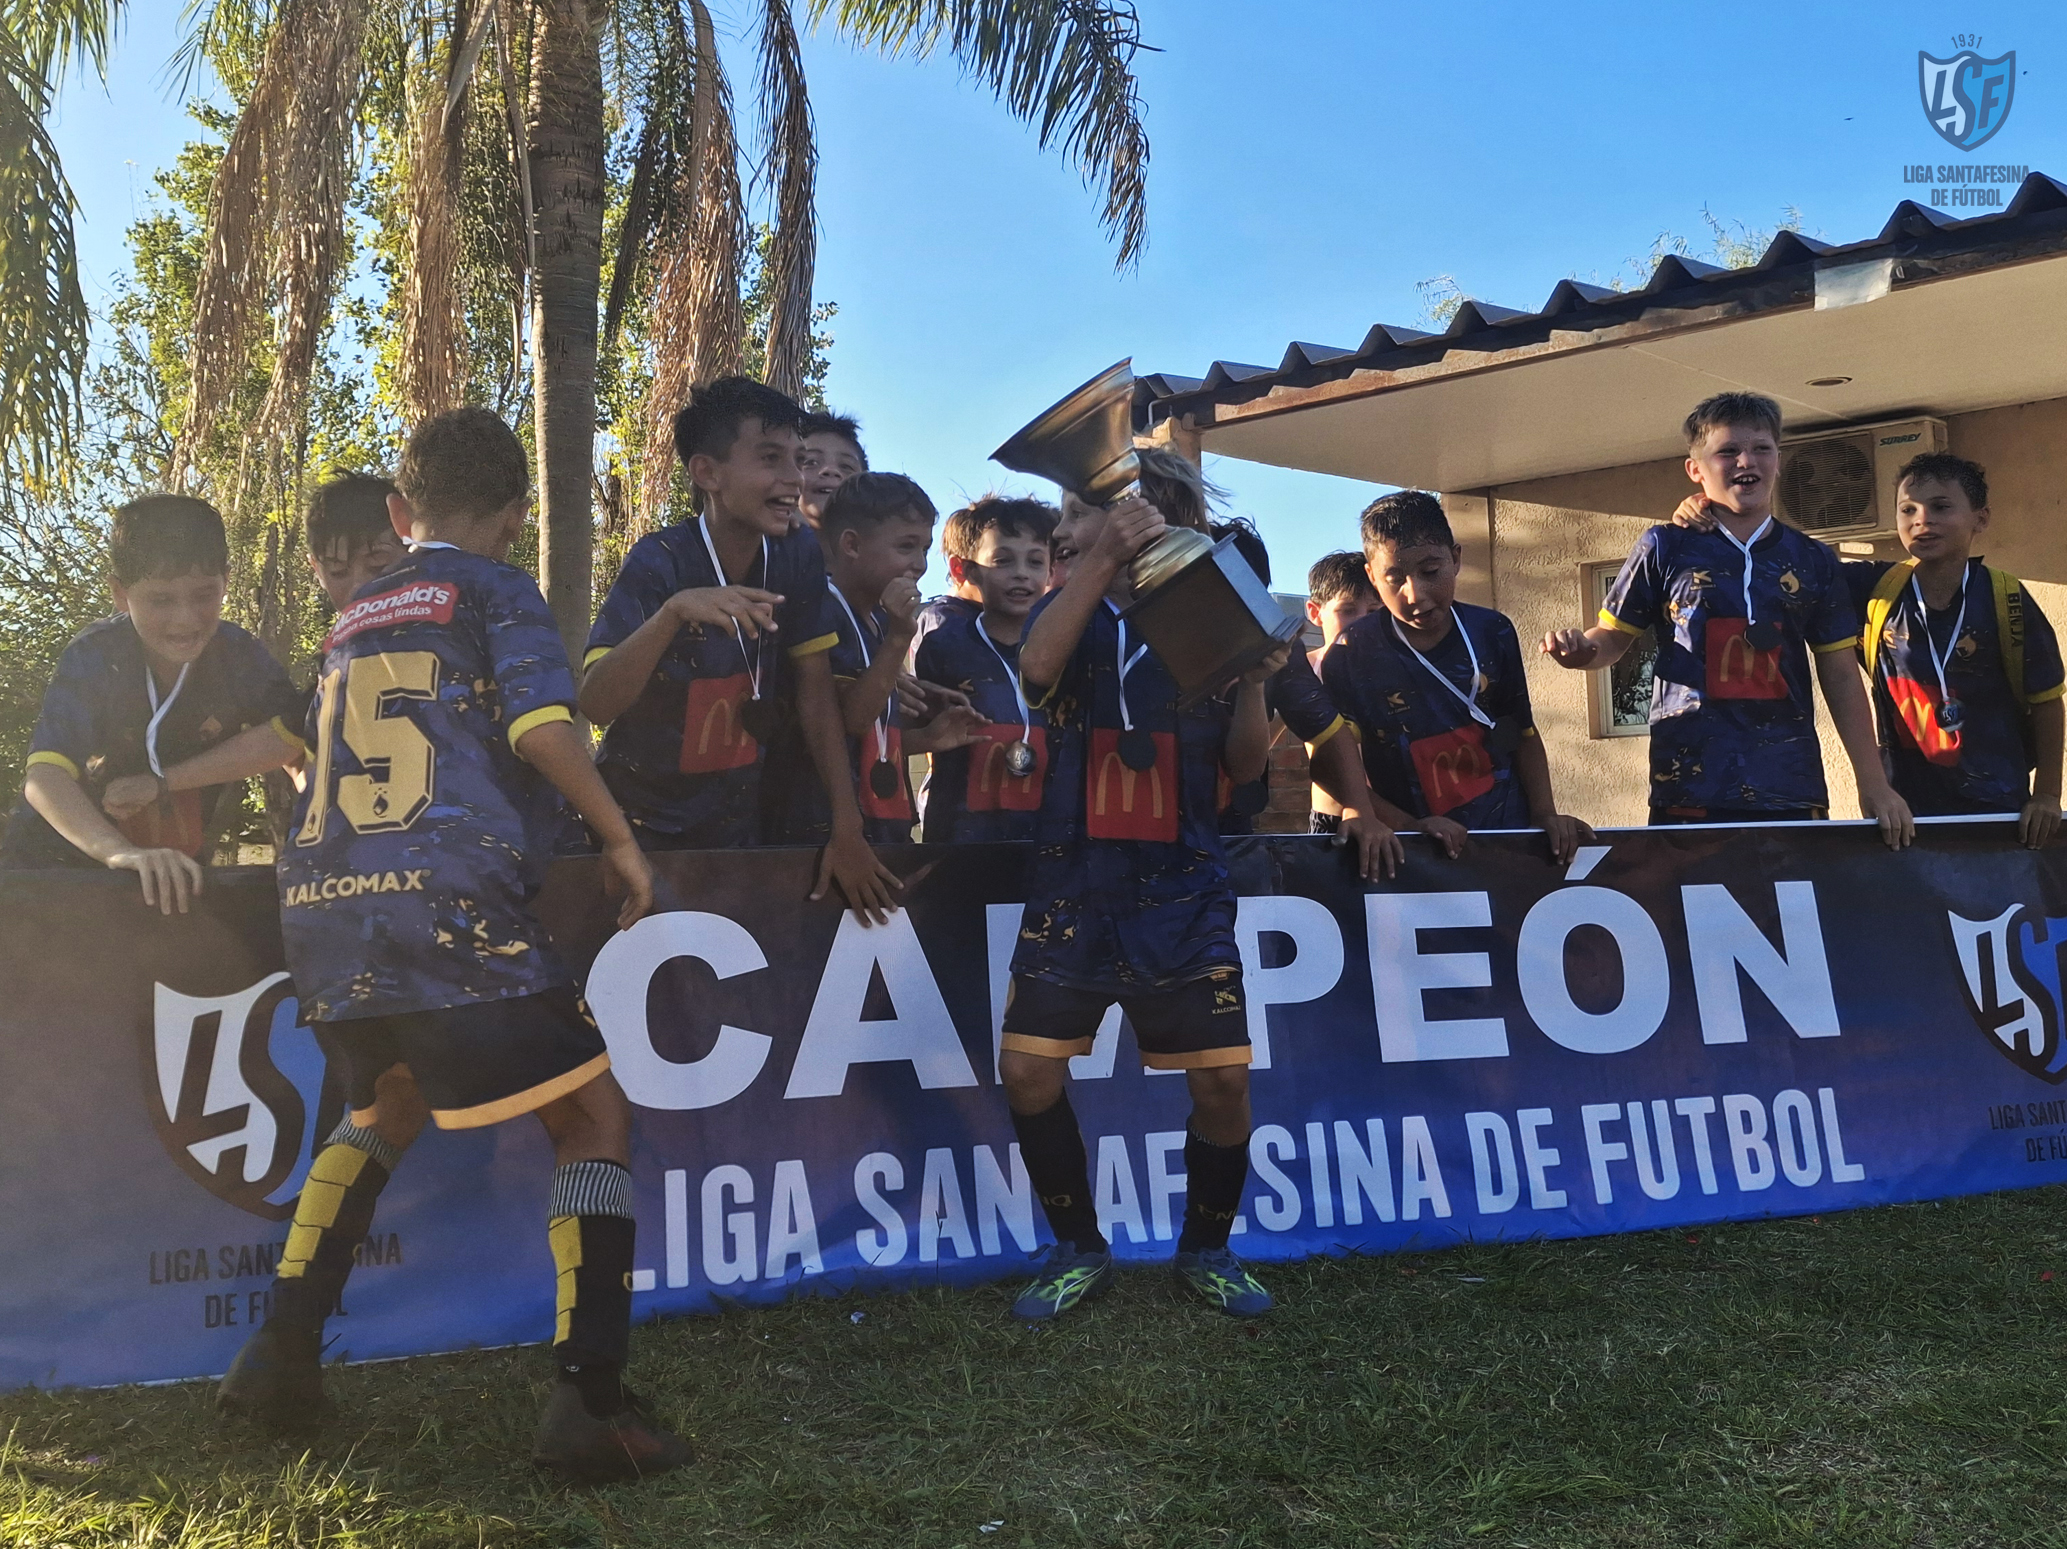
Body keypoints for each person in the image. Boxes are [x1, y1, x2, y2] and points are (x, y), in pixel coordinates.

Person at [217, 408, 687, 1484]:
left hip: (326, 902)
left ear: (399, 511)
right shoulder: (495, 588)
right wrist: (619, 839)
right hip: (447, 900)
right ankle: (591, 1403)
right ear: (515, 517)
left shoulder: (352, 614)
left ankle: (276, 1357)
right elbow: (543, 728)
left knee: (382, 1104)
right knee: (593, 1115)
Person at [998, 483, 1292, 1322]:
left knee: (1223, 1081)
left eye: (1078, 514)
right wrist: (1098, 556)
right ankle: (1077, 1247)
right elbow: (1036, 670)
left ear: (1148, 514)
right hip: (1074, 884)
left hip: (1182, 888)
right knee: (1026, 1070)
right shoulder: (1072, 608)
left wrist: (1252, 684)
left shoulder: (1209, 617)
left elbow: (1243, 769)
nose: (1061, 530)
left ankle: (1207, 1250)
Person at [579, 376, 900, 920]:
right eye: (771, 458)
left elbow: (816, 693)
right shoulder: (659, 559)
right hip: (638, 833)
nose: (794, 478)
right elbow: (595, 702)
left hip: (739, 835)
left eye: (798, 460)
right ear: (708, 473)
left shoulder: (797, 554)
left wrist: (847, 827)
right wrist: (673, 613)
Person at [1542, 391, 1915, 847]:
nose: (1746, 461)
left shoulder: (1814, 559)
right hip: (1689, 786)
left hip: (1790, 787)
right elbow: (1611, 638)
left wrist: (1873, 783)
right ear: (1695, 469)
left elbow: (1840, 675)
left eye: (1761, 448)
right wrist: (1582, 652)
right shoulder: (1665, 546)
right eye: (1728, 450)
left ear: (1779, 460)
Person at [1672, 452, 2063, 847]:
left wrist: (2047, 794)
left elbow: (2047, 701)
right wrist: (1715, 509)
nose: (1922, 520)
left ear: (1981, 518)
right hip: (1903, 813)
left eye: (1940, 507)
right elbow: (1791, 564)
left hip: (2000, 812)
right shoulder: (1872, 587)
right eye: (1908, 509)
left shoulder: (2006, 597)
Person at [2, 495, 302, 912]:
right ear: (119, 593)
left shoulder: (241, 656)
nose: (185, 619)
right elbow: (45, 777)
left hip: (171, 878)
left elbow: (293, 737)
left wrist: (163, 782)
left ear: (226, 582)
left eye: (204, 595)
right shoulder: (95, 655)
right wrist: (119, 853)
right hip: (54, 878)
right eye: (161, 600)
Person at [97, 473, 410, 833]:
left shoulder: (451, 624)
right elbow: (288, 735)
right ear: (317, 569)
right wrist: (161, 783)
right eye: (338, 571)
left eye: (379, 567)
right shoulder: (340, 655)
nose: (360, 588)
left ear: (414, 548)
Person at [1321, 492, 1590, 862]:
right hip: (1413, 853)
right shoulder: (1352, 652)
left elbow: (1522, 733)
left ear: (1456, 558)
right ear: (1372, 576)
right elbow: (1331, 766)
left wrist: (1544, 814)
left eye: (1431, 572)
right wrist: (1410, 826)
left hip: (1504, 842)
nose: (1414, 594)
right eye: (1394, 578)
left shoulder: (1492, 631)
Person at [813, 472, 984, 845]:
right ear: (852, 545)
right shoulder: (822, 611)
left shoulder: (879, 618)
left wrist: (926, 736)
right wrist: (899, 638)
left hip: (886, 826)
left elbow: (867, 740)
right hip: (829, 831)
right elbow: (853, 721)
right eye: (906, 546)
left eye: (924, 549)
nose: (920, 564)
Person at [914, 496, 1057, 842]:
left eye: (1035, 561)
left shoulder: (1064, 648)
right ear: (970, 571)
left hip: (1046, 835)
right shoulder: (943, 644)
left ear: (1050, 572)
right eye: (1002, 561)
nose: (1021, 573)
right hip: (961, 833)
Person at [1302, 552, 1381, 835]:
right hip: (1332, 818)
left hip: (1395, 817)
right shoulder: (1304, 671)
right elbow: (1262, 746)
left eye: (1373, 611)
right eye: (1347, 610)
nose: (1361, 622)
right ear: (1315, 612)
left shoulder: (1401, 668)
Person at [796, 409, 867, 532]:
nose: (830, 470)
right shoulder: (764, 538)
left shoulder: (890, 541)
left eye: (846, 466)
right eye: (811, 462)